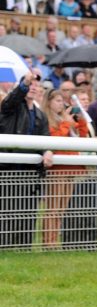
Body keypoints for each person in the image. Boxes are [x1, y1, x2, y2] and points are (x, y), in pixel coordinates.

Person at [0, 71, 54, 250]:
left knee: (28, 212)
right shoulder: (11, 107)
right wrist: (25, 82)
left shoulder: (40, 115)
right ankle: (5, 248)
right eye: (29, 86)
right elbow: (12, 99)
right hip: (9, 170)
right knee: (8, 212)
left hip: (30, 172)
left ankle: (24, 249)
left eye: (35, 86)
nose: (32, 88)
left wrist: (47, 151)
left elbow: (45, 138)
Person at [41, 88, 90, 248]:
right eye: (57, 101)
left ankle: (54, 241)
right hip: (57, 167)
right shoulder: (46, 119)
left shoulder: (65, 118)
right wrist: (67, 124)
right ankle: (48, 242)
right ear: (48, 102)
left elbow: (82, 137)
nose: (61, 104)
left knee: (62, 208)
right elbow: (53, 139)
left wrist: (81, 121)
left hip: (71, 165)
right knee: (53, 208)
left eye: (62, 101)